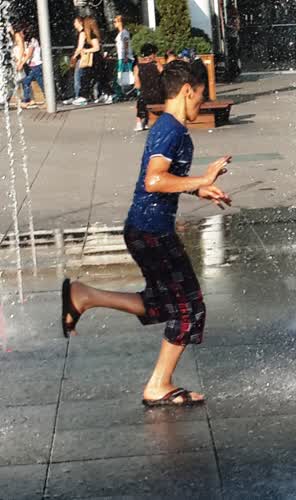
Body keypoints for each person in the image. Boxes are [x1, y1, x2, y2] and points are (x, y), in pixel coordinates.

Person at [60, 60, 232, 407]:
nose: (203, 103)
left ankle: (84, 295)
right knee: (190, 308)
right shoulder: (171, 129)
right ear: (187, 91)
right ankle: (158, 385)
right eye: (201, 95)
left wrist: (198, 189)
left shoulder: (170, 127)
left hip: (145, 228)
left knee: (160, 304)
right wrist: (201, 179)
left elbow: (161, 180)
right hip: (152, 232)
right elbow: (154, 180)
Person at [134, 44, 165, 131]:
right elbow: (165, 78)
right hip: (158, 96)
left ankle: (139, 122)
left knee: (141, 98)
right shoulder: (157, 65)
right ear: (152, 54)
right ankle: (146, 121)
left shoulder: (137, 67)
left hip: (145, 97)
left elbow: (137, 85)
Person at [19, 26, 45, 110]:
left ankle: (27, 100)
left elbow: (30, 54)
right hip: (31, 66)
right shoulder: (27, 42)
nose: (21, 35)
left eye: (22, 33)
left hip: (36, 66)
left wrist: (21, 64)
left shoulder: (33, 41)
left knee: (39, 83)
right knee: (27, 82)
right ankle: (28, 99)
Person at [113, 15, 134, 100]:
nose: (114, 24)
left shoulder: (124, 32)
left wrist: (125, 55)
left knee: (125, 75)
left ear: (120, 22)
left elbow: (126, 43)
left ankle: (128, 92)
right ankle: (124, 92)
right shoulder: (120, 33)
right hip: (121, 56)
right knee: (122, 75)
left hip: (124, 57)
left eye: (115, 22)